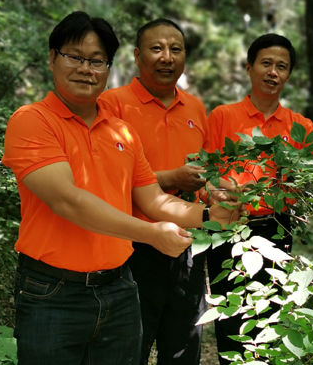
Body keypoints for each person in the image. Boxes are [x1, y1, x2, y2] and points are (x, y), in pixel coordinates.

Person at [2, 12, 241, 365]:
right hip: (53, 291)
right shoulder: (32, 121)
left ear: (108, 67)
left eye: (96, 60)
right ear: (53, 58)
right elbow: (68, 201)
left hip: (119, 288)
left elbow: (154, 199)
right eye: (74, 57)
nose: (86, 69)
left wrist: (210, 215)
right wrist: (151, 234)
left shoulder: (121, 132)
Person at [205, 33, 313, 365]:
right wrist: (219, 190)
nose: (273, 72)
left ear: (288, 75)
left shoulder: (297, 125)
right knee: (232, 321)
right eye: (266, 63)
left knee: (270, 319)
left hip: (277, 228)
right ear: (249, 67)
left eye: (282, 66)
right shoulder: (222, 116)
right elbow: (207, 171)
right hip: (228, 228)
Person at [99, 18, 228, 365]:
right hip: (133, 244)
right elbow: (107, 177)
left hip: (189, 243)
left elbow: (202, 175)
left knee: (184, 345)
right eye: (156, 48)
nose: (166, 57)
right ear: (137, 55)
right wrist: (172, 177)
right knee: (129, 348)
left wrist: (213, 194)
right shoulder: (112, 103)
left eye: (176, 49)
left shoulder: (195, 107)